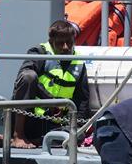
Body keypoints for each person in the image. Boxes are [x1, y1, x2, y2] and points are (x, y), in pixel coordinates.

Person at [11, 20, 91, 149]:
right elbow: (26, 80)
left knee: (77, 135)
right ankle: (17, 136)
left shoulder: (79, 63)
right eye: (60, 43)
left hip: (55, 123)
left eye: (69, 43)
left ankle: (38, 141)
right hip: (31, 119)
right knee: (28, 76)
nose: (65, 47)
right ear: (51, 41)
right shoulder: (38, 52)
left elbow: (82, 99)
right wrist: (51, 102)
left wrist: (78, 126)